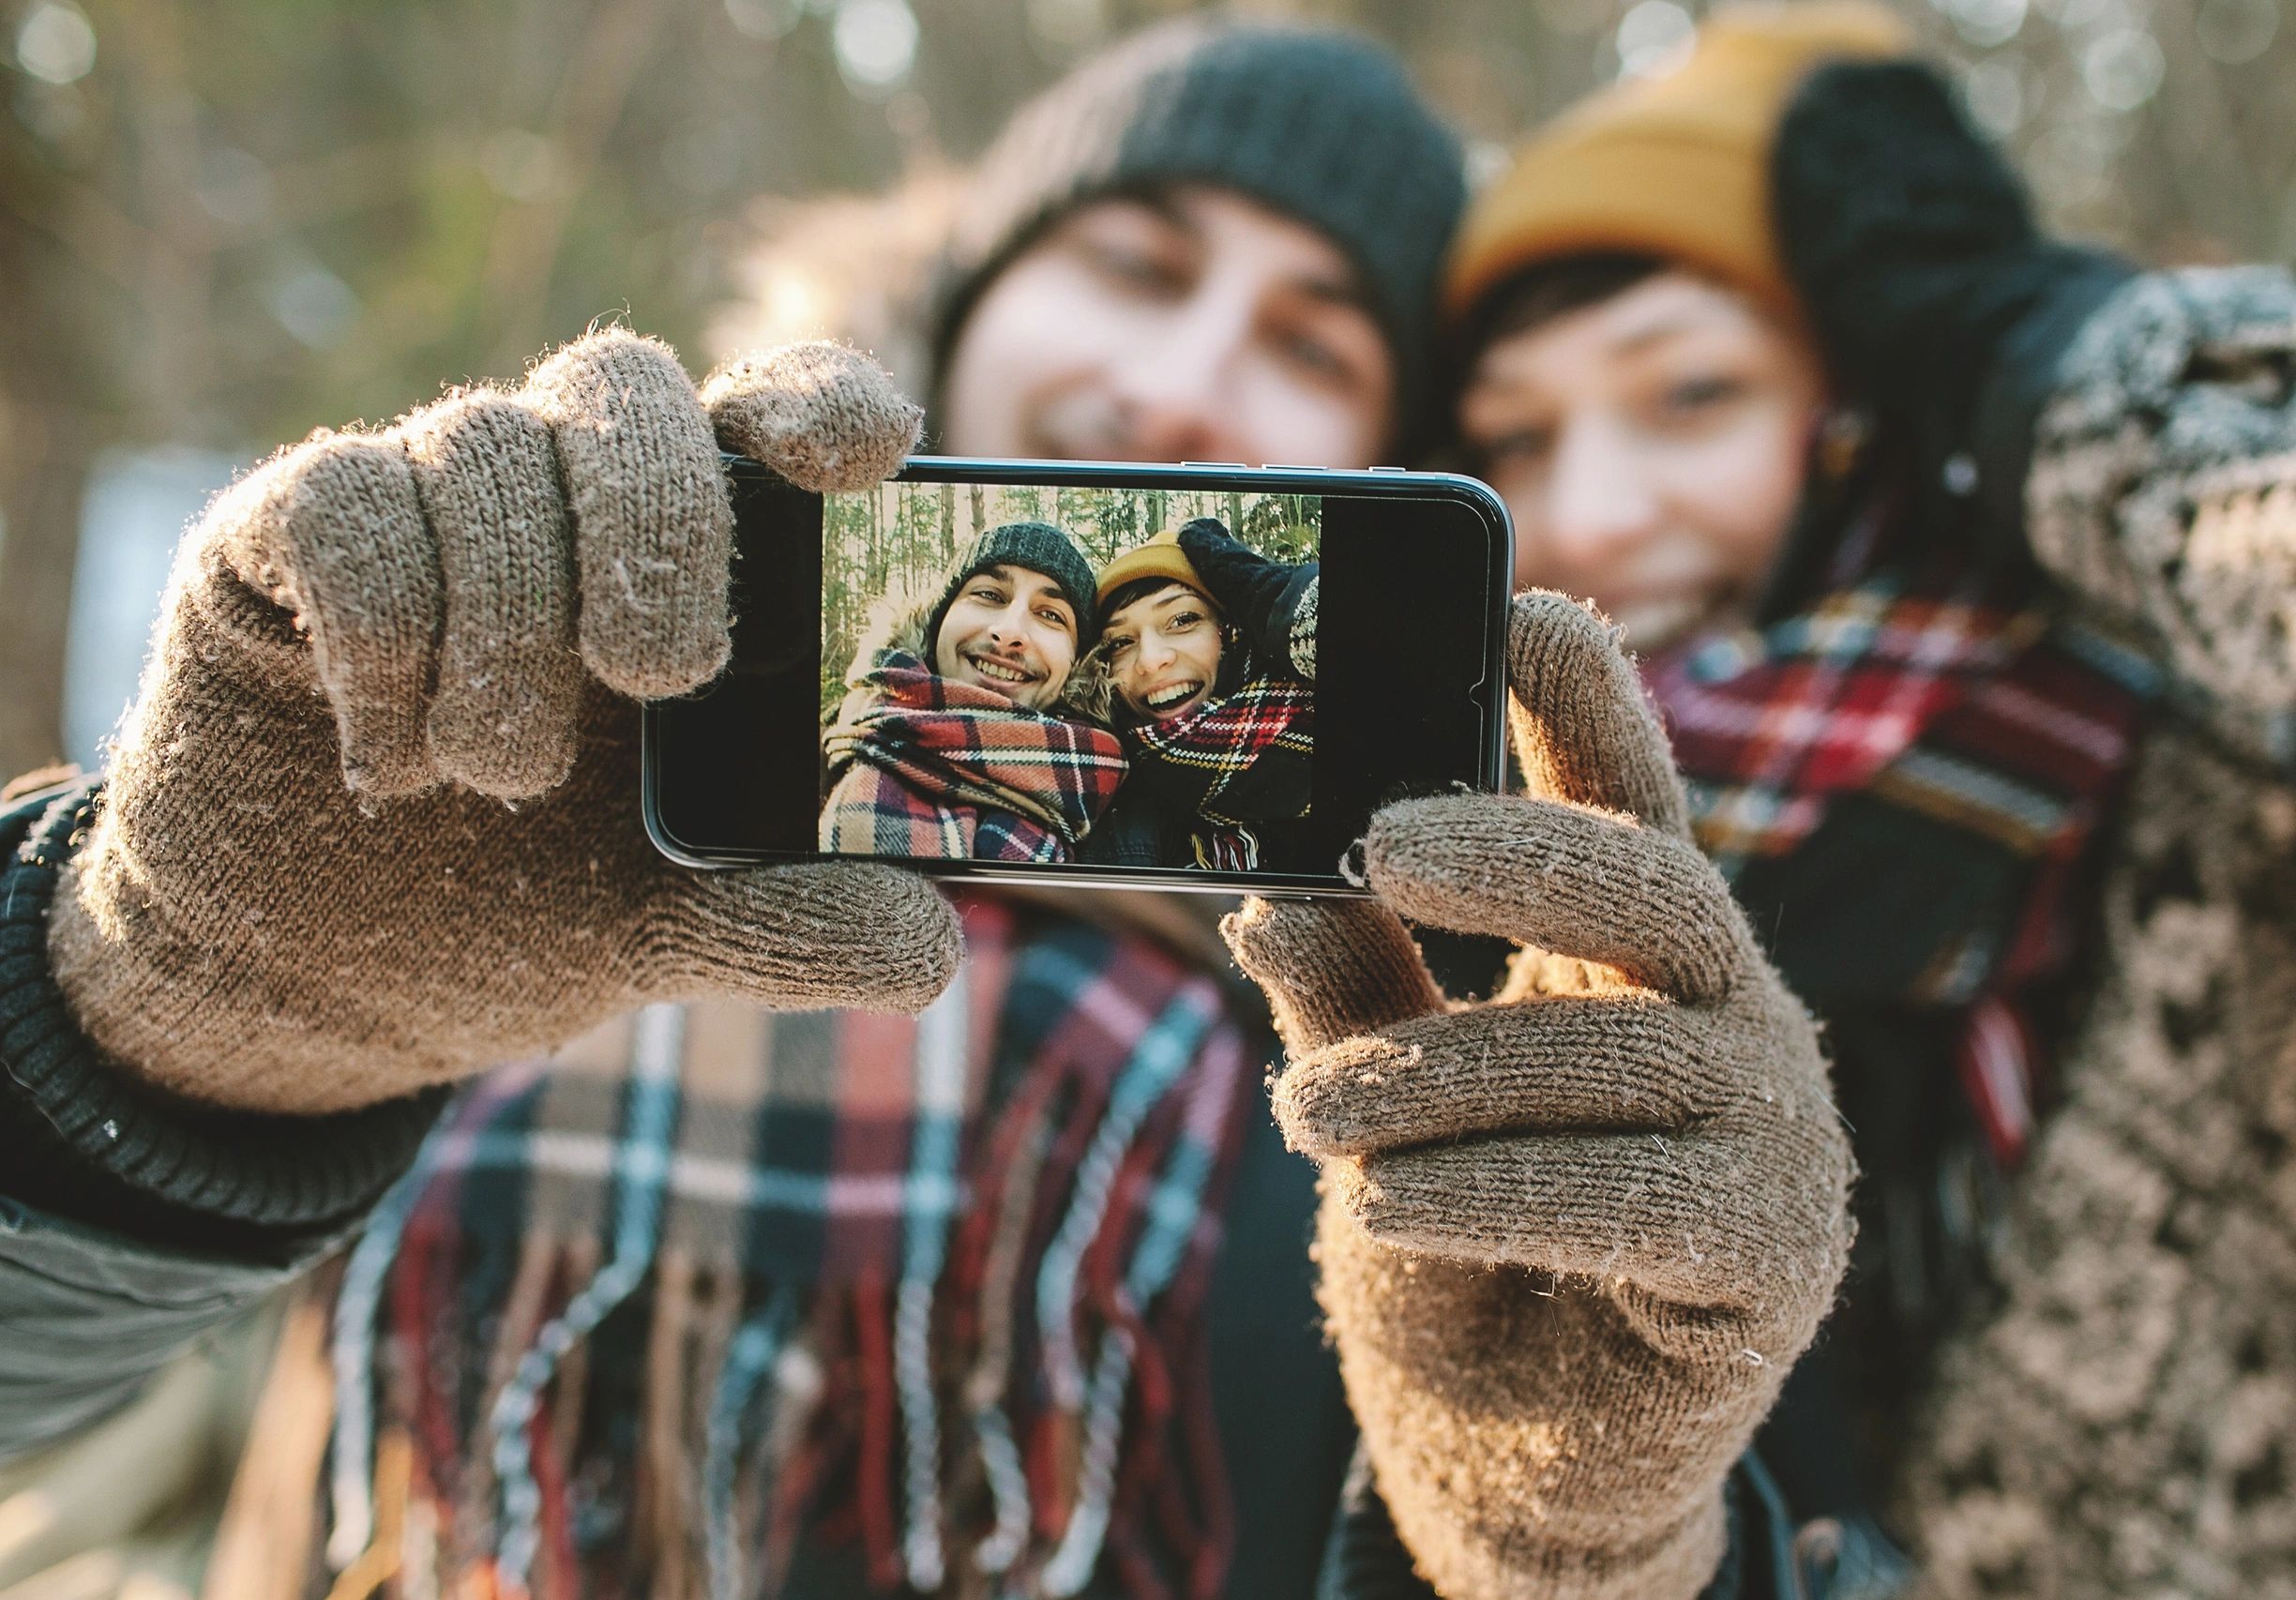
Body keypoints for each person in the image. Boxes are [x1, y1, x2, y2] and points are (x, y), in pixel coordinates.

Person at [4, 21, 1853, 1600]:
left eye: (1309, 338)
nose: (1185, 382)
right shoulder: (504, 747)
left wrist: (1582, 1549)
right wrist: (161, 1033)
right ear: (961, 300)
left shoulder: (1479, 1014)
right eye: (1136, 263)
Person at [1404, 4, 2296, 1594]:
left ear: (1876, 411)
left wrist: (2048, 358)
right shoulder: (1466, 904)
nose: (1581, 515)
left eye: (1689, 395)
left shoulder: (2248, 761)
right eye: (1514, 435)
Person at [819, 522, 1126, 862]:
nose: (1009, 632)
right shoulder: (820, 751)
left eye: (1050, 615)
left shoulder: (1115, 807)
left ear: (1076, 663)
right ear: (937, 623)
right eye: (990, 595)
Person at [1083, 519, 1318, 870]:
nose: (1150, 660)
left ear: (1228, 630)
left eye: (1181, 620)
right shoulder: (1103, 798)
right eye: (1121, 642)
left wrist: (1286, 606)